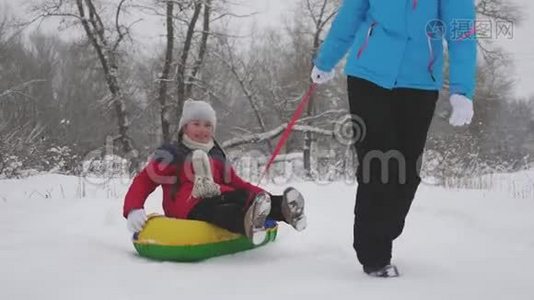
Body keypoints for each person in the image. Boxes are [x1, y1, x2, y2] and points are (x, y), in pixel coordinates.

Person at [311, 0, 476, 277]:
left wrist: (462, 90)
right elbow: (350, 15)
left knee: (406, 171)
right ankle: (374, 253)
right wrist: (326, 60)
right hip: (368, 76)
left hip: (420, 83)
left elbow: (462, 34)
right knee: (378, 163)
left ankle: (382, 230)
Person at [123, 99, 307, 245]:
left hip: (219, 194)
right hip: (189, 206)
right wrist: (133, 208)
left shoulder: (216, 155)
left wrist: (262, 195)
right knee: (221, 209)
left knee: (242, 195)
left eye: (207, 125)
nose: (202, 130)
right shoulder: (173, 154)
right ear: (184, 127)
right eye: (196, 123)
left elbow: (237, 183)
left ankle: (284, 208)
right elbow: (145, 179)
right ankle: (248, 221)